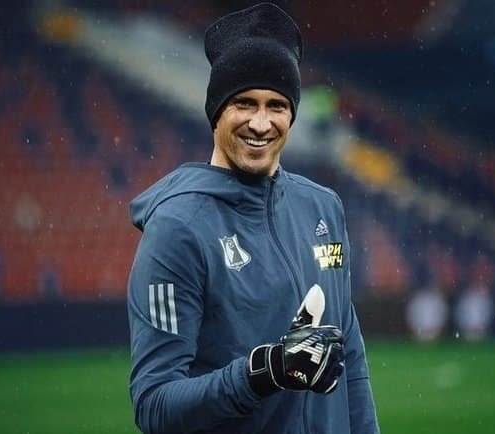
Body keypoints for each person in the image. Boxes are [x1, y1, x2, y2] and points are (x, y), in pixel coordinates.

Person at [126, 3, 379, 433]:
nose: (261, 124)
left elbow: (350, 360)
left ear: (292, 114)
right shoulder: (177, 228)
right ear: (216, 112)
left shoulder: (323, 208)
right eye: (244, 103)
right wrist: (263, 372)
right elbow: (156, 406)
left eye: (276, 105)